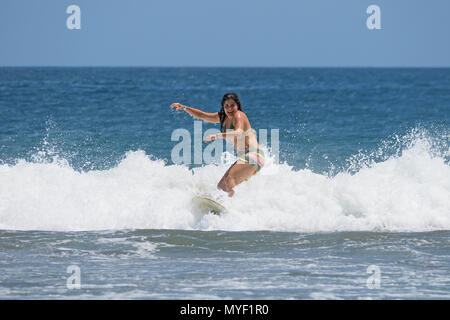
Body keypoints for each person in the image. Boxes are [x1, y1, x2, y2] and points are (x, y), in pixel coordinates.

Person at [170, 93, 265, 197]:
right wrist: (184, 108)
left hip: (254, 156)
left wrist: (217, 135)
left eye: (232, 105)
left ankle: (232, 204)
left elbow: (238, 132)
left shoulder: (239, 115)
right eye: (226, 106)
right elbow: (202, 115)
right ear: (223, 107)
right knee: (221, 186)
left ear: (237, 105)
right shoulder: (223, 117)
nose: (229, 109)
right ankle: (235, 206)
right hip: (245, 158)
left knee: (229, 182)